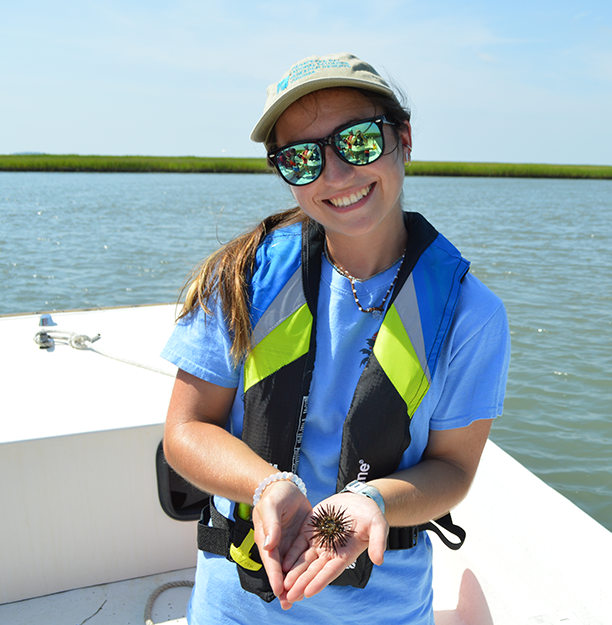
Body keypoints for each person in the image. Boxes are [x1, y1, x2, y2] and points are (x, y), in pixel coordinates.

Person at [161, 52, 510, 624]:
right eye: (302, 158)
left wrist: (370, 501)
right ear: (282, 171)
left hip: (385, 609)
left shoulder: (472, 316)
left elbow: (453, 470)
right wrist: (267, 484)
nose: (337, 174)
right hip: (237, 605)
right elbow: (185, 431)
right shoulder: (239, 277)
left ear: (404, 138)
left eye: (359, 141)